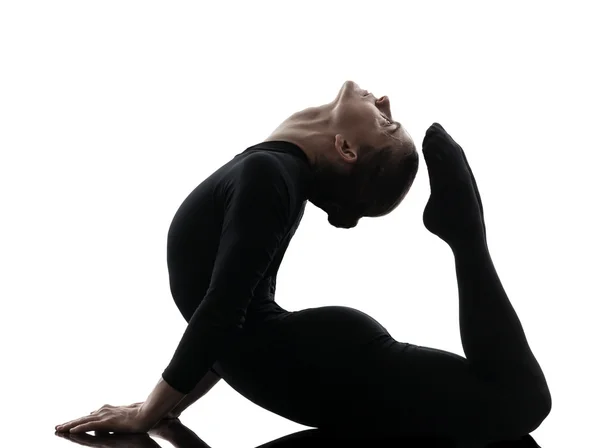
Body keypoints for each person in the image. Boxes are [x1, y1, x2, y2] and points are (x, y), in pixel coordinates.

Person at [55, 80, 551, 446]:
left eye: (386, 123)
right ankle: (464, 234)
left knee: (522, 402)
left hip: (324, 362)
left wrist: (150, 413)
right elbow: (233, 320)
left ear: (347, 148)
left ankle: (465, 234)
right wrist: (165, 411)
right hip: (316, 359)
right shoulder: (273, 175)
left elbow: (225, 311)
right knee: (510, 402)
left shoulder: (268, 176)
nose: (384, 101)